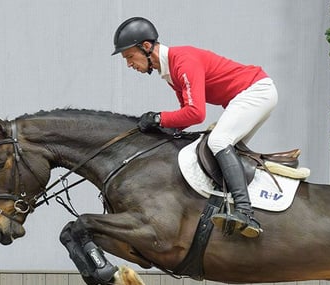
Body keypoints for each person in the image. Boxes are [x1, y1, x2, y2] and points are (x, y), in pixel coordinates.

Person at [112, 16, 278, 238]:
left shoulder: (183, 61)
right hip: (253, 93)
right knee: (219, 148)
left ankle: (245, 212)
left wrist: (158, 118)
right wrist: (162, 126)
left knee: (218, 141)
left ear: (147, 47)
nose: (129, 64)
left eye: (130, 57)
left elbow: (197, 113)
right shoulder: (169, 71)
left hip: (255, 91)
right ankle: (232, 207)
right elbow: (186, 115)